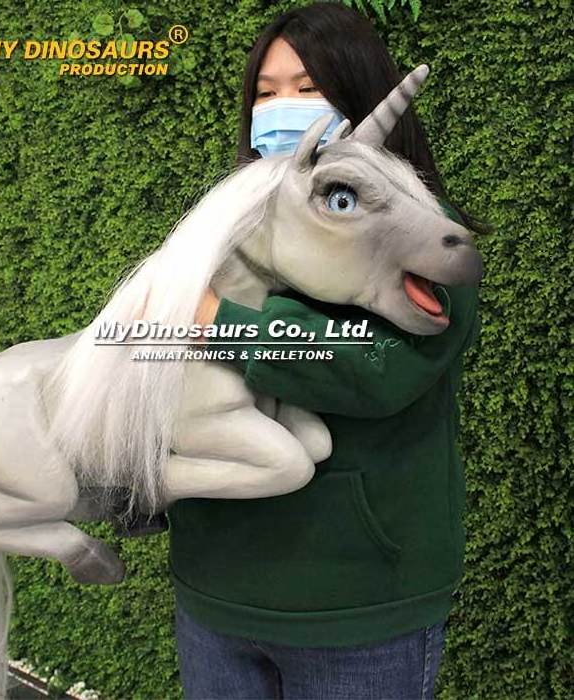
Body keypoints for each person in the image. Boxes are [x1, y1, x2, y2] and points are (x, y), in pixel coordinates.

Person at [165, 3, 488, 698]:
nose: (282, 108)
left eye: (307, 87)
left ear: (358, 93)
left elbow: (373, 370)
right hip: (215, 595)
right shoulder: (220, 229)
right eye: (266, 92)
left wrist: (221, 321)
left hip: (358, 609)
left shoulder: (421, 237)